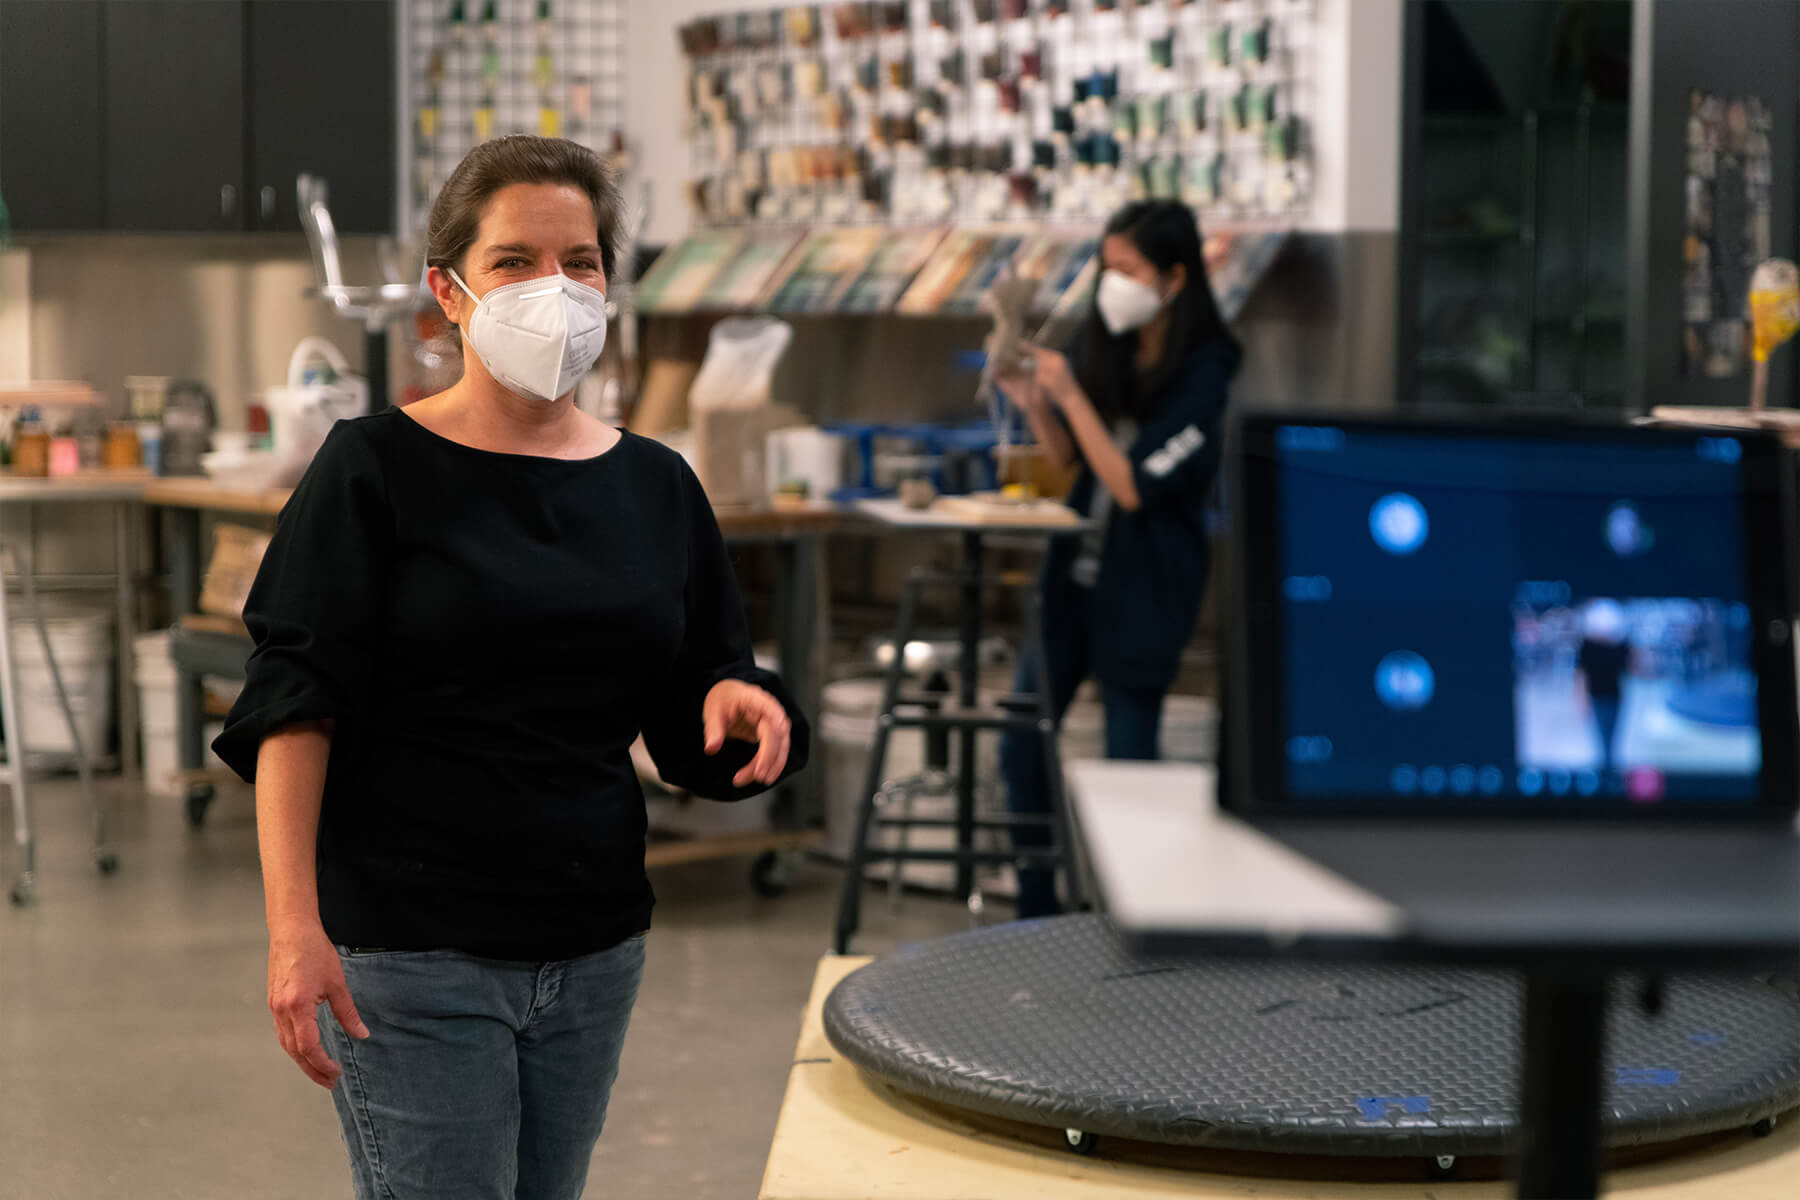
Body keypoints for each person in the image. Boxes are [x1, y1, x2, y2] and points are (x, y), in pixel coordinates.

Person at [213, 135, 809, 1200]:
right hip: (407, 951)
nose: (557, 289)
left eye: (581, 262)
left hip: (592, 946)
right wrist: (292, 930)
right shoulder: (373, 470)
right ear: (448, 292)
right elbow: (296, 708)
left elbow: (694, 713)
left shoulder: (656, 486)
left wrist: (741, 703)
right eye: (516, 262)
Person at [997, 200, 1241, 918]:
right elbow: (1072, 460)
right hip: (1071, 580)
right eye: (1106, 267)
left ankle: (1141, 919)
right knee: (1020, 741)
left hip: (1147, 587)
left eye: (1127, 270)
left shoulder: (1207, 370)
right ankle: (1035, 915)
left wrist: (1067, 394)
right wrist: (1035, 402)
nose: (1112, 284)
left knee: (1131, 758)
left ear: (1174, 277)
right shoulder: (1105, 340)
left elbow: (1134, 486)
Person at [1575, 599, 1633, 771]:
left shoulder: (1620, 645)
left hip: (1616, 695)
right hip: (1597, 695)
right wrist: (1582, 698)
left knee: (1613, 734)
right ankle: (1607, 768)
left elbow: (1630, 667)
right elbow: (1581, 674)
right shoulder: (1588, 646)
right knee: (1603, 736)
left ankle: (1609, 764)